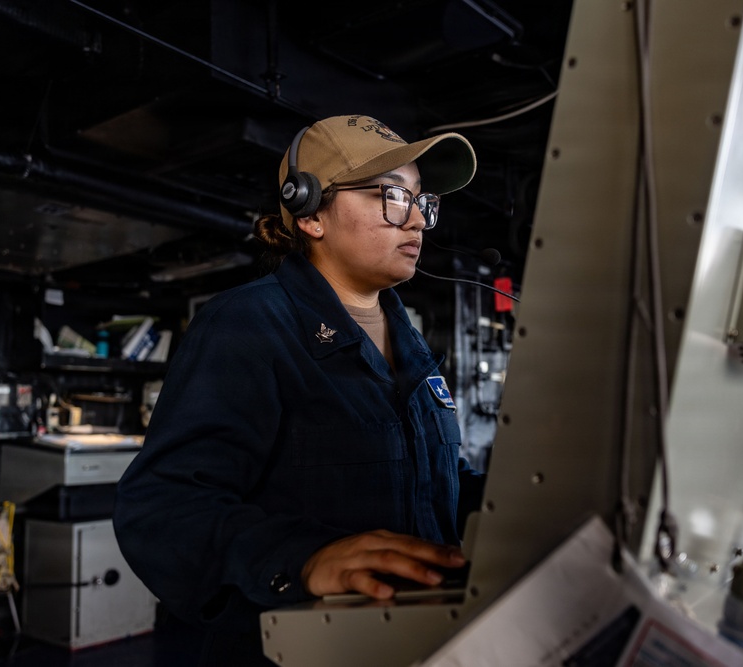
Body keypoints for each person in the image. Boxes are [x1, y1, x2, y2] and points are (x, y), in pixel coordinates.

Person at [113, 114, 485, 665]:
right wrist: (304, 559)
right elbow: (163, 507)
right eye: (392, 197)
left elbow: (438, 482)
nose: (417, 222)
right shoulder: (247, 324)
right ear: (311, 215)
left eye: (421, 202)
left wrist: (526, 504)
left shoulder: (412, 345)